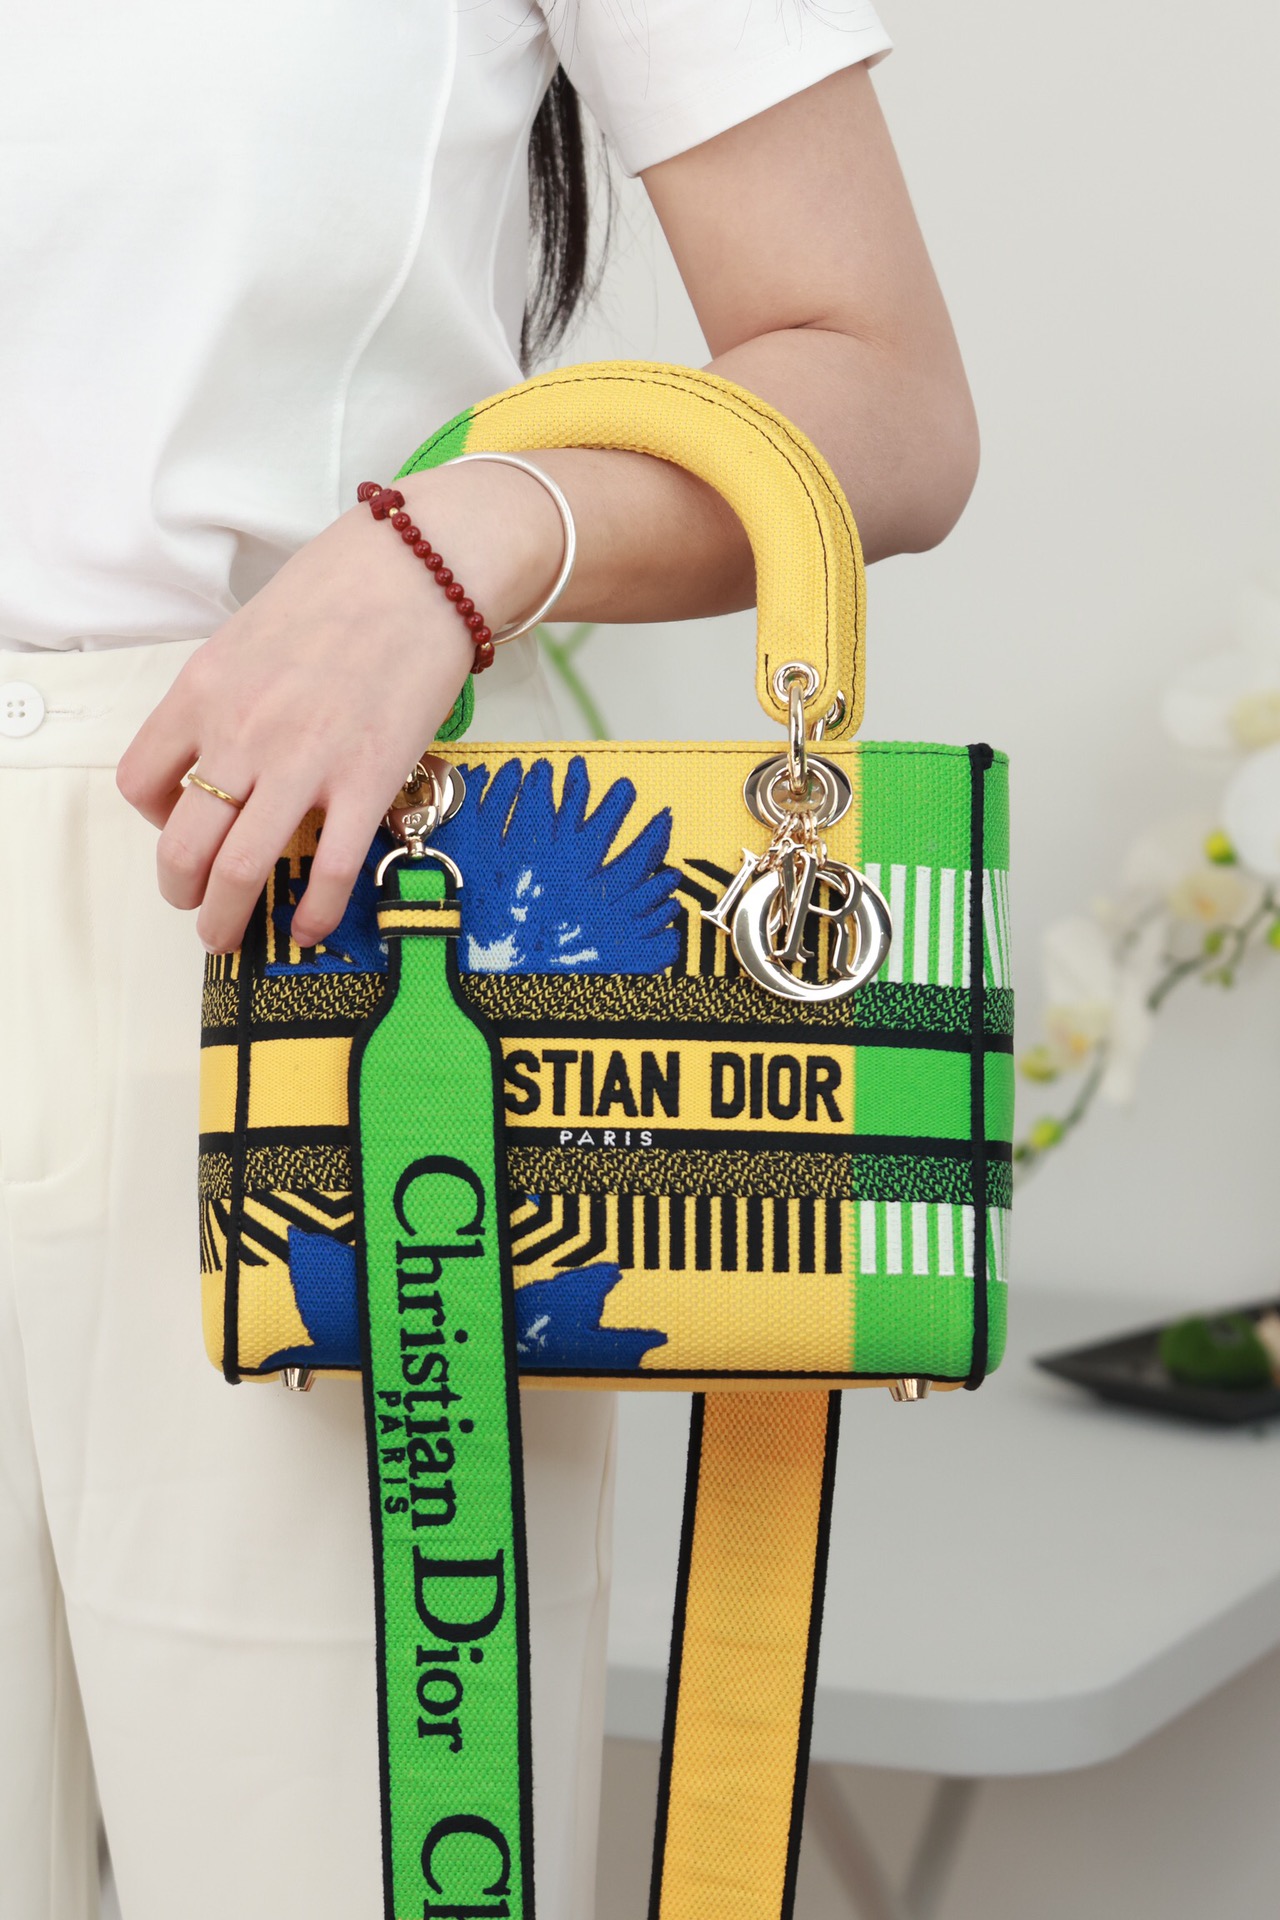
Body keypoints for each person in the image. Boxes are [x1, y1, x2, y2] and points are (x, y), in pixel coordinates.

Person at [0, 4, 979, 1916]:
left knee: (342, 1857)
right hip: (273, 874)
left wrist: (469, 535)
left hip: (313, 893)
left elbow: (887, 390)